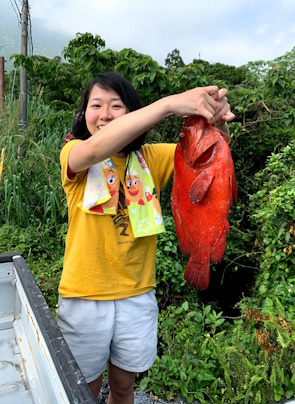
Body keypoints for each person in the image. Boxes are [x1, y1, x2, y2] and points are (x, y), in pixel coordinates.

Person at [57, 71, 235, 403]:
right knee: (84, 392)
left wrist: (216, 120)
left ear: (132, 111)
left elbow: (210, 160)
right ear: (84, 113)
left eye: (116, 105)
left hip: (137, 295)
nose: (106, 114)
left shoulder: (151, 158)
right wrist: (169, 104)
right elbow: (95, 150)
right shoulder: (75, 153)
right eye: (96, 105)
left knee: (124, 387)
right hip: (84, 296)